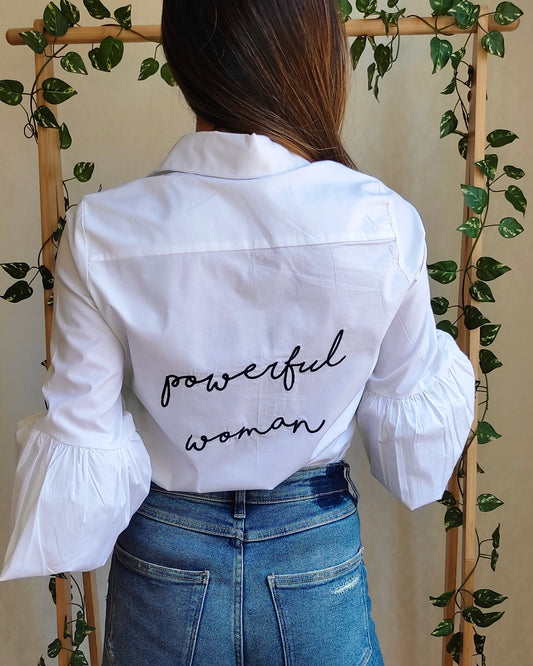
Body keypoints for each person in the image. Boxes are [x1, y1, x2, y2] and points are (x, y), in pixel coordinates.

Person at [1, 0, 475, 664]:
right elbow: (411, 458)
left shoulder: (104, 230)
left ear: (182, 61)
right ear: (320, 54)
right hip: (313, 545)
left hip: (166, 552)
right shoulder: (381, 223)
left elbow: (83, 434)